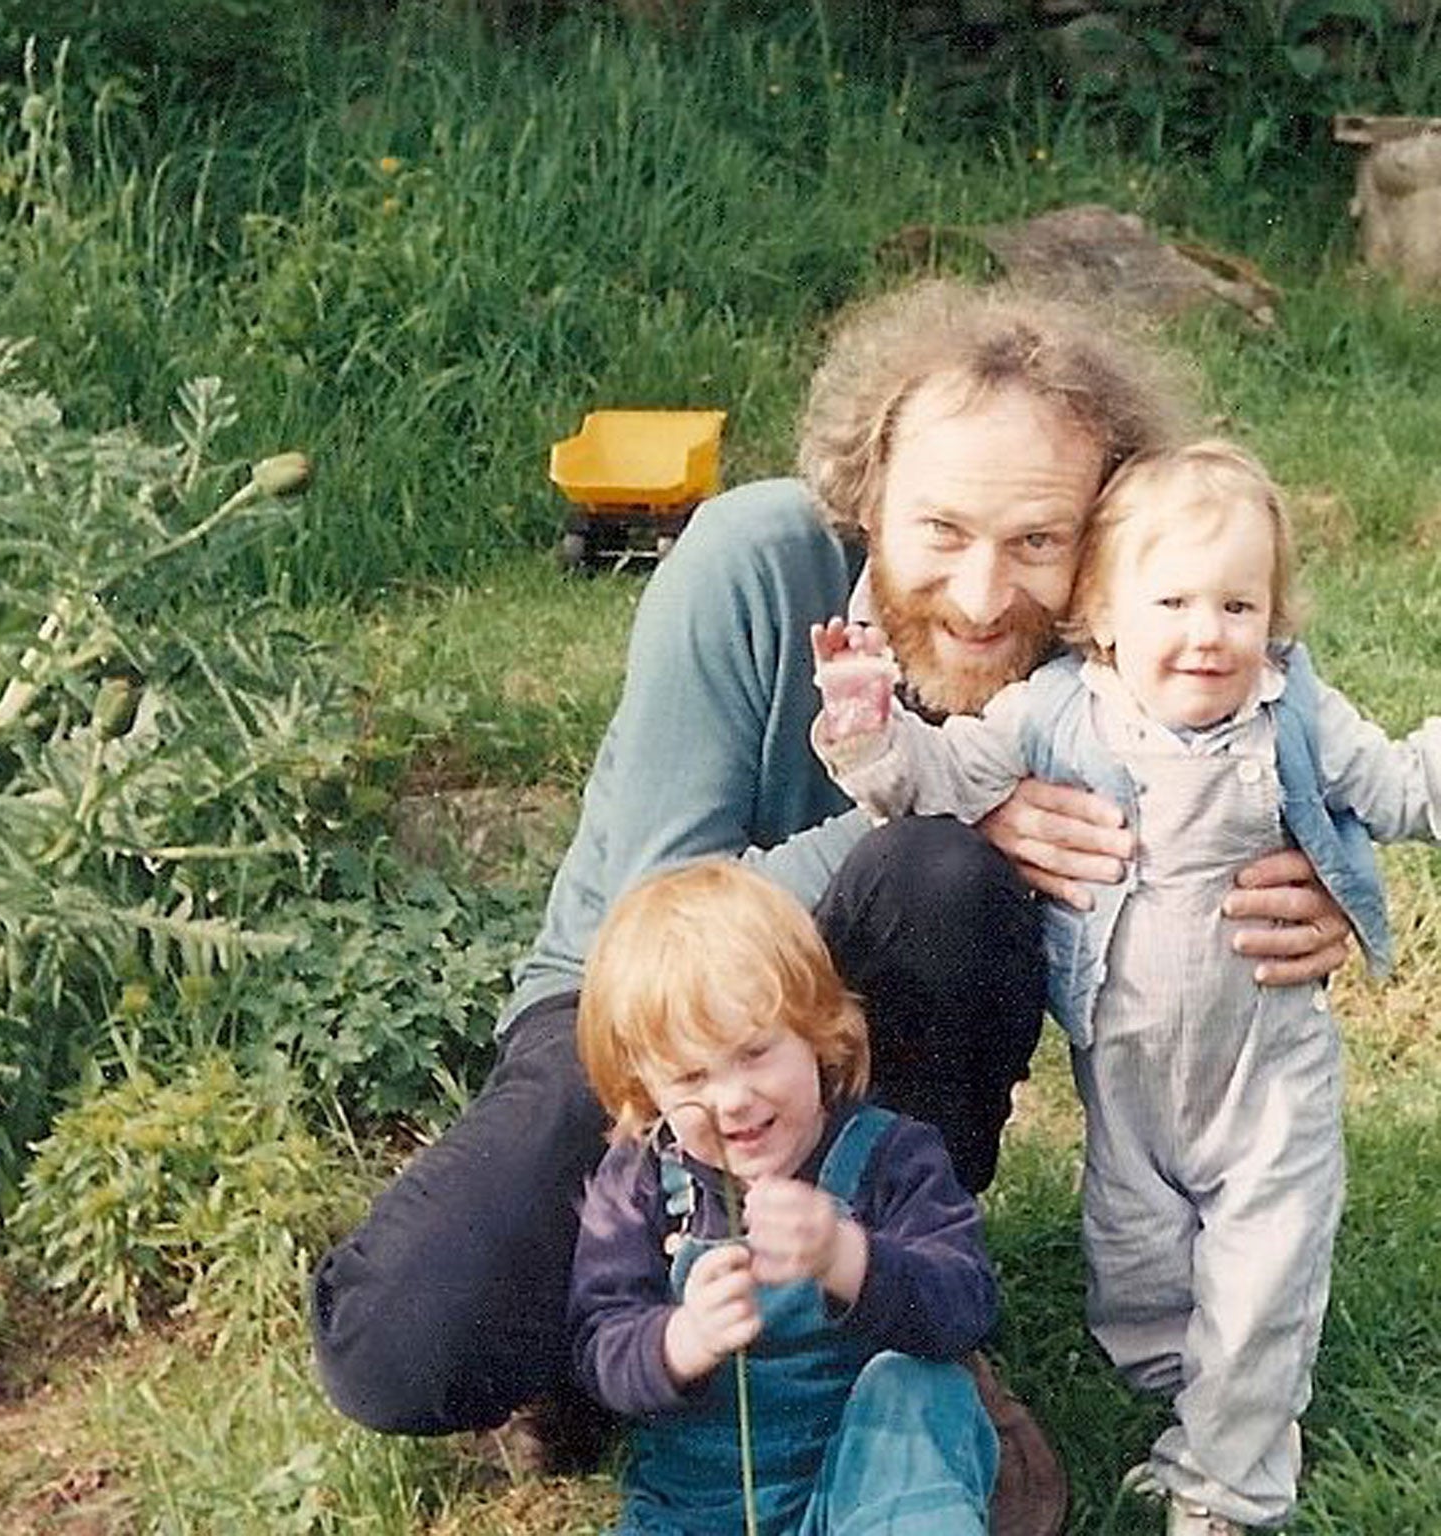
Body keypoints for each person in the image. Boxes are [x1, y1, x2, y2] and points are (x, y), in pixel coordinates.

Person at [308, 282, 1356, 1530]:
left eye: (1036, 543)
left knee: (941, 883)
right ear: (865, 496)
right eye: (939, 531)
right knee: (399, 1347)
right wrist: (933, 811)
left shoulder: (1134, 627)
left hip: (872, 1040)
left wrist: (1323, 887)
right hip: (631, 1014)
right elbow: (652, 920)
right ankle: (623, 1329)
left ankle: (895, 1313)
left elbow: (1267, 757)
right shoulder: (751, 563)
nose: (980, 597)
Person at [810, 439, 1441, 1534]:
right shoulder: (1058, 713)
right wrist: (869, 724)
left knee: (1257, 1280)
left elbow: (1391, 789)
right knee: (1136, 1258)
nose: (1207, 632)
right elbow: (940, 781)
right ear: (1101, 613)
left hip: (1262, 1073)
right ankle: (1169, 1385)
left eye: (1239, 606)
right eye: (1174, 601)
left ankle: (1226, 1479)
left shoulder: (1291, 713)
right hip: (1128, 1073)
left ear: (1273, 620)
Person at [571, 857, 999, 1535]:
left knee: (922, 1389)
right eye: (690, 1075)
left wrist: (845, 1258)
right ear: (646, 1088)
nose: (733, 1098)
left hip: (860, 1487)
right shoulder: (644, 1184)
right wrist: (681, 1338)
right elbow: (600, 1344)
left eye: (754, 1053)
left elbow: (966, 1306)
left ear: (816, 1031)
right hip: (696, 1510)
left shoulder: (889, 1157)